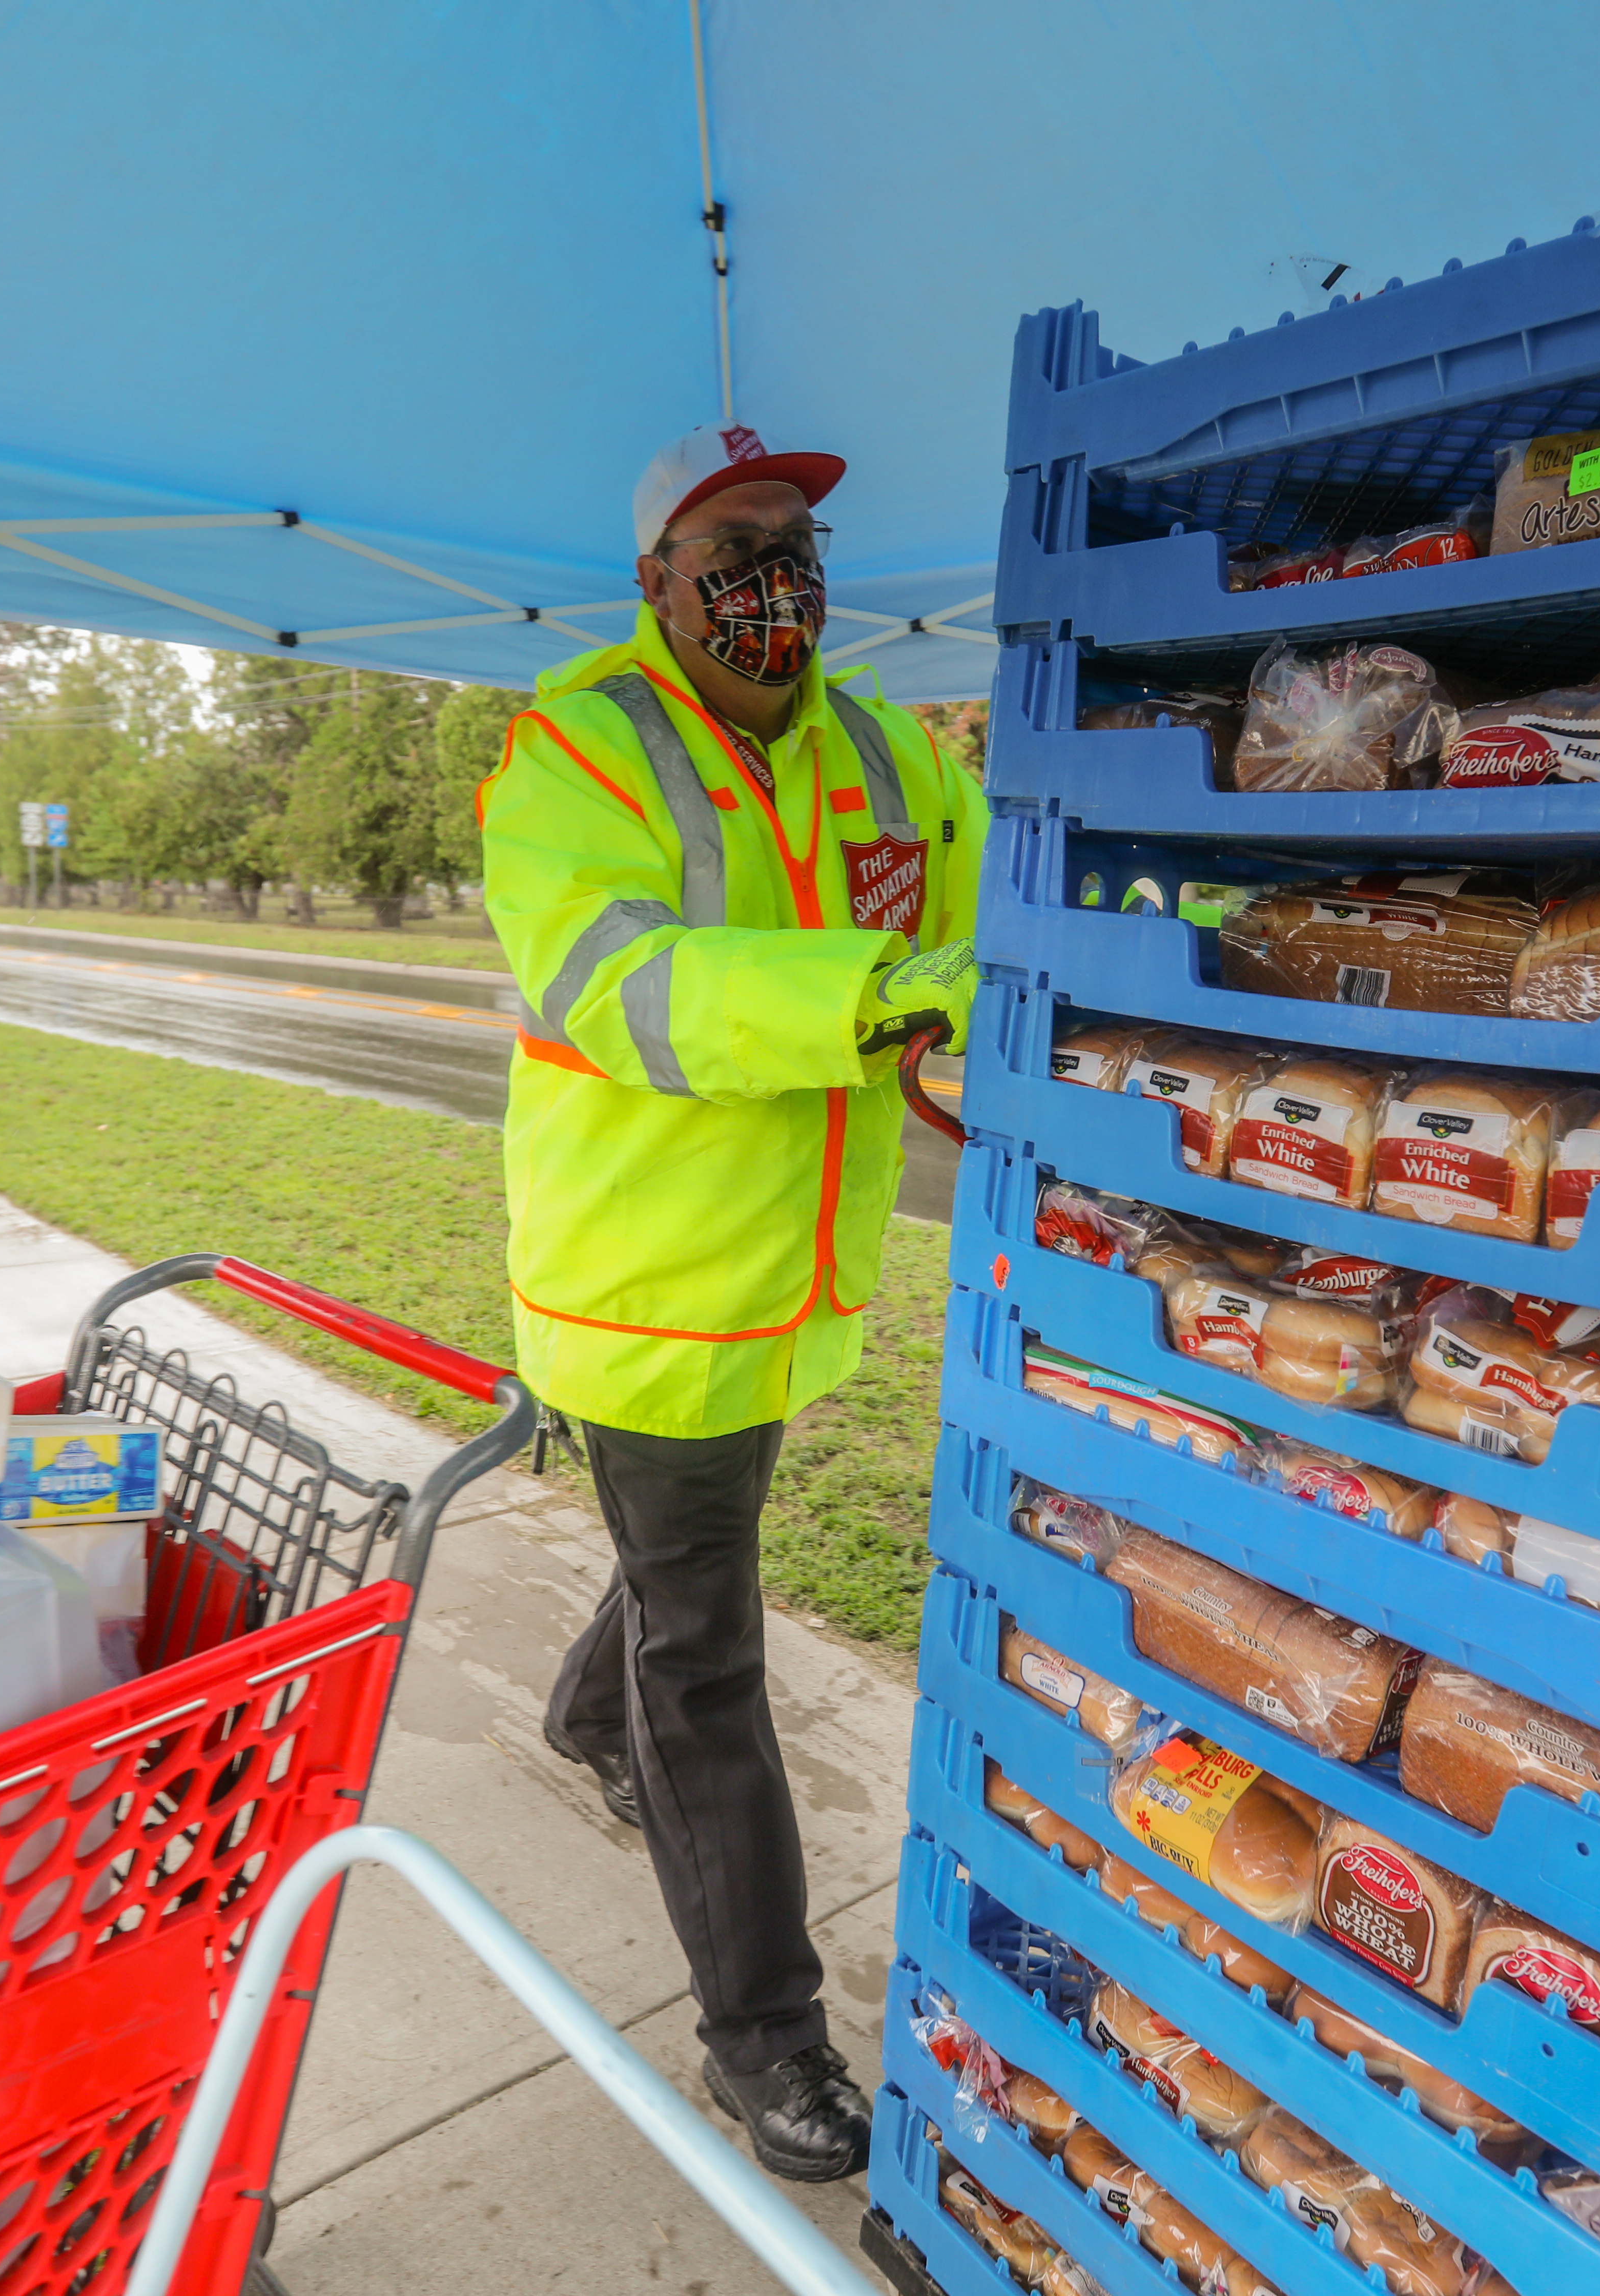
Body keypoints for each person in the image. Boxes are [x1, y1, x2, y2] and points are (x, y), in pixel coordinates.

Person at [475, 422, 986, 2180]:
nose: (778, 571)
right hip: (642, 1290)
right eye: (734, 540)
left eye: (797, 537)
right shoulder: (580, 748)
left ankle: (583, 1709)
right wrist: (873, 996)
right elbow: (620, 983)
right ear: (656, 582)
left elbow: (982, 929)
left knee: (681, 1575)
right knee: (711, 1653)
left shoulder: (890, 752)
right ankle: (760, 2039)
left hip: (789, 1284)